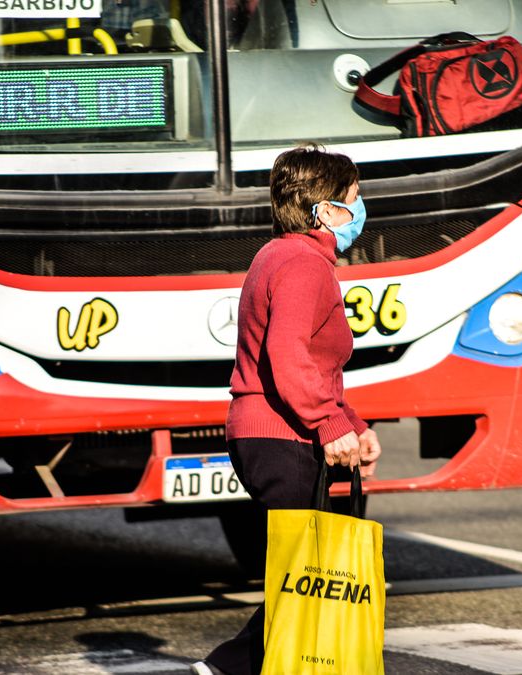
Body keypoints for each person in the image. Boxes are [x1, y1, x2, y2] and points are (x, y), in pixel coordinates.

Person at [192, 145, 381, 675]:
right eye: (354, 199)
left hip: (275, 433)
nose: (361, 210)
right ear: (326, 211)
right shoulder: (303, 263)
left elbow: (315, 365)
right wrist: (328, 424)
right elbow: (288, 355)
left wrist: (353, 424)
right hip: (280, 437)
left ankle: (236, 667)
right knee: (307, 575)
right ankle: (227, 667)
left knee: (308, 573)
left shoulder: (280, 256)